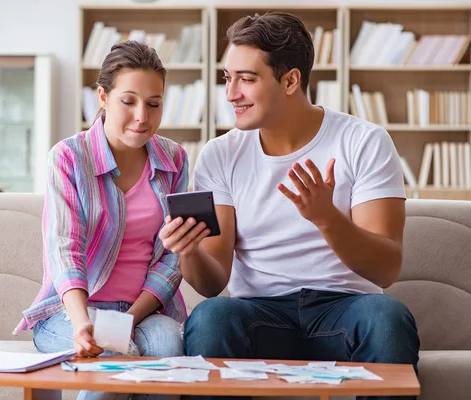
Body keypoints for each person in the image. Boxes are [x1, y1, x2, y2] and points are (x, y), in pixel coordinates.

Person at [159, 12, 420, 400]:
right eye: (228, 78)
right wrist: (190, 251)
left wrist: (329, 219)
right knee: (211, 318)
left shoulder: (363, 142)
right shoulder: (219, 154)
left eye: (246, 79)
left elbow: (386, 269)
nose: (231, 94)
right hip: (259, 314)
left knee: (388, 319)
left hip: (345, 310)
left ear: (290, 80)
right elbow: (213, 284)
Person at [14, 40, 187, 400]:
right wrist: (83, 324)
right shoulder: (69, 157)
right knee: (111, 359)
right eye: (129, 101)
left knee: (169, 346)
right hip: (71, 313)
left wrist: (129, 320)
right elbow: (64, 247)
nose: (142, 116)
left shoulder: (175, 160)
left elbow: (173, 259)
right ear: (103, 98)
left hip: (144, 311)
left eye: (154, 104)